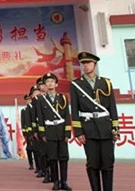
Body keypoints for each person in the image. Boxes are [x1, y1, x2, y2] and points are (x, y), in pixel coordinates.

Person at [70, 52, 119, 191]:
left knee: (108, 163)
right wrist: (78, 131)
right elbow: (74, 110)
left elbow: (112, 108)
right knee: (93, 163)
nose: (85, 66)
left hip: (105, 128)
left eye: (88, 63)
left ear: (95, 64)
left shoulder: (106, 83)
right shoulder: (76, 84)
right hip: (88, 128)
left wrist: (115, 128)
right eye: (83, 64)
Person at [37, 72, 72, 191]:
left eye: (52, 81)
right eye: (47, 82)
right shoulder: (41, 100)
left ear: (56, 84)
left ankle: (64, 181)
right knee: (52, 157)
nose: (50, 83)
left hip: (61, 130)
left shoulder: (62, 98)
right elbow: (40, 118)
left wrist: (67, 132)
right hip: (50, 131)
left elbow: (67, 115)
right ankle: (55, 181)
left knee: (63, 157)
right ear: (45, 85)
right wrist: (43, 133)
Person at [22, 91, 35, 171]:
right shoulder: (24, 110)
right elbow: (23, 122)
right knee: (29, 149)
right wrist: (25, 133)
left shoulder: (34, 108)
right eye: (27, 100)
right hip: (28, 133)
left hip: (35, 132)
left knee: (37, 150)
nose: (28, 101)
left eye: (30, 100)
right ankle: (31, 164)